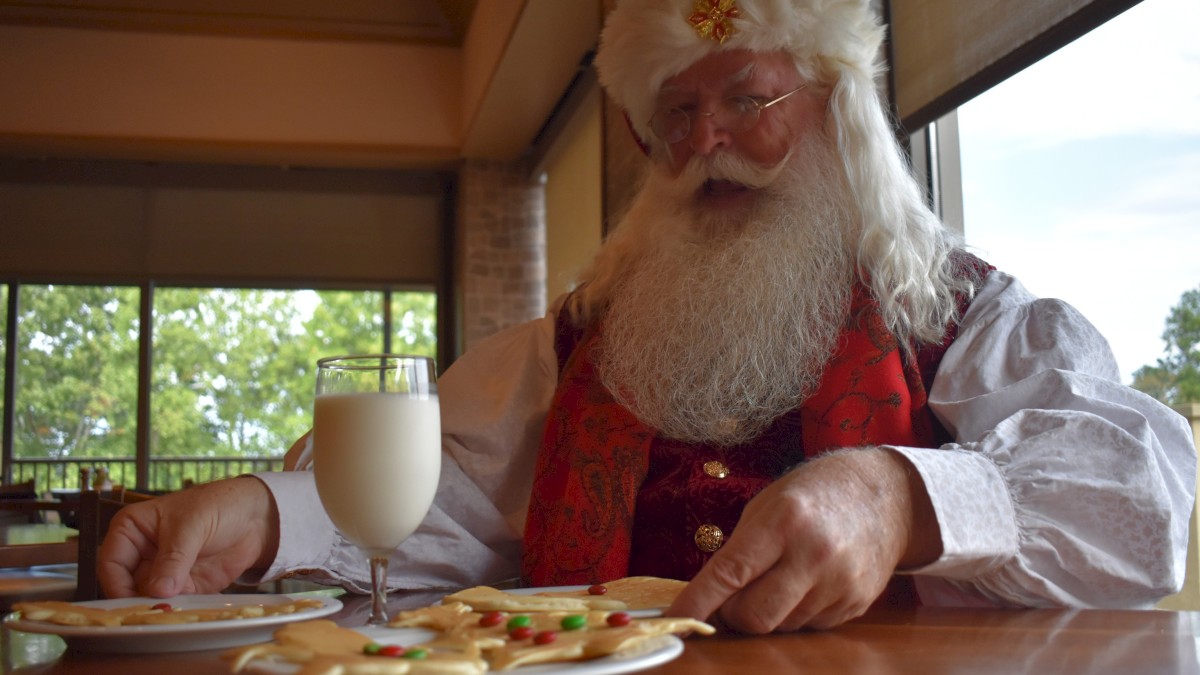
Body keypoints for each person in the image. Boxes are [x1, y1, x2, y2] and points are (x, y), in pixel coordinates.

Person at [99, 0, 1196, 633]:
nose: (705, 140)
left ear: (836, 111)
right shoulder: (574, 342)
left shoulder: (955, 313)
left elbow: (1140, 497)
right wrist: (268, 514)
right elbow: (457, 508)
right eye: (676, 111)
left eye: (746, 100)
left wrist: (905, 496)